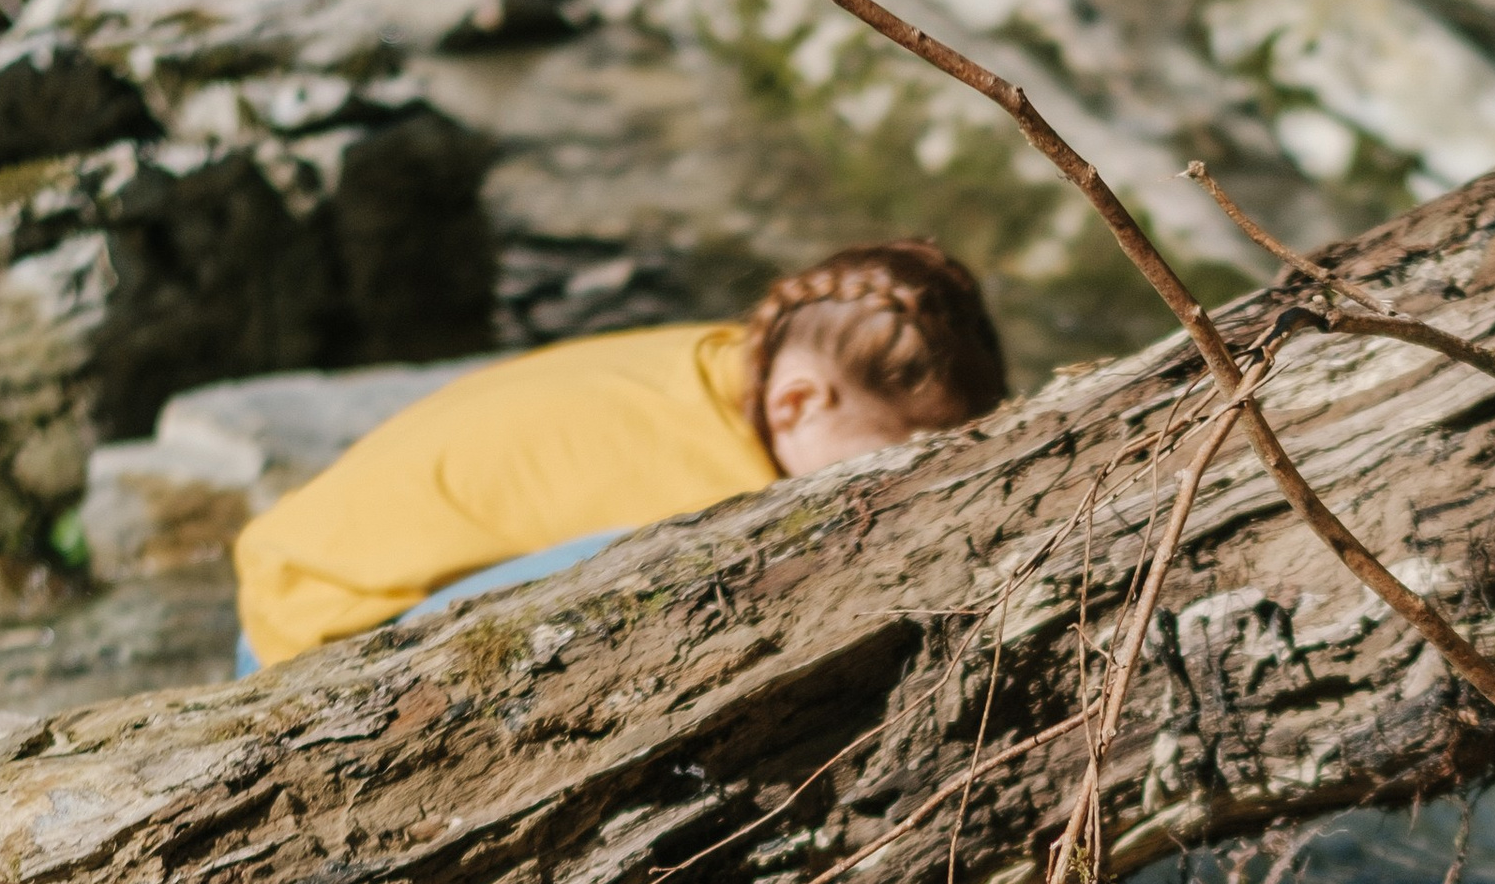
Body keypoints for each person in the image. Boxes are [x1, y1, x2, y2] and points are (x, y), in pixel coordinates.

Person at [232, 238, 1006, 671]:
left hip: (288, 573)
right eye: (894, 458)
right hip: (310, 641)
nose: (910, 484)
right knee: (684, 573)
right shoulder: (717, 490)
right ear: (798, 401)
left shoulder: (722, 358)